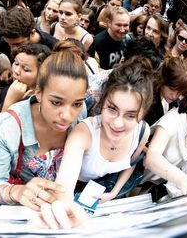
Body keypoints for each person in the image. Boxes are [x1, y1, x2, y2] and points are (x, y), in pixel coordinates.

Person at [0, 40, 89, 210]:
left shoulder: (82, 112)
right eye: (56, 102)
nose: (67, 116)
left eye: (76, 104)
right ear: (39, 93)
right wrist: (16, 192)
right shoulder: (8, 126)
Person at [54, 57, 153, 205]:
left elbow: (131, 163)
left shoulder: (142, 132)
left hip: (106, 195)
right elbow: (64, 185)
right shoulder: (83, 134)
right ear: (103, 100)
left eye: (131, 115)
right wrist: (63, 204)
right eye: (112, 109)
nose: (118, 124)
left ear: (143, 114)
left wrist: (113, 193)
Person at [1, 43, 51, 111]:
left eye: (26, 69)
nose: (16, 71)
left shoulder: (42, 103)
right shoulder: (7, 90)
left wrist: (9, 102)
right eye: (16, 63)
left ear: (42, 74)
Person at [145, 56, 187, 126]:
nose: (174, 96)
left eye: (179, 92)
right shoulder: (147, 97)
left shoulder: (175, 104)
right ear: (163, 79)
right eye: (172, 89)